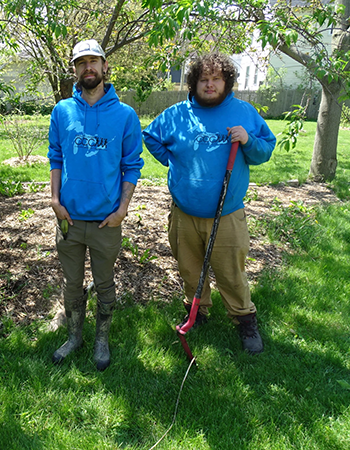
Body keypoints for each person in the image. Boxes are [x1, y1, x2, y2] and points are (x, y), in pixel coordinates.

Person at [142, 52, 276, 354]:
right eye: (204, 79)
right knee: (190, 269)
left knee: (231, 272)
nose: (210, 84)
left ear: (227, 81)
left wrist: (248, 141)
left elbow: (265, 150)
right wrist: (173, 159)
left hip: (227, 214)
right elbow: (150, 136)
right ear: (194, 82)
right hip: (184, 213)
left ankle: (244, 319)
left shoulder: (243, 113)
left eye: (217, 79)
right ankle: (196, 311)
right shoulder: (177, 114)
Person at [47, 39, 144, 371]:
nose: (88, 67)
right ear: (74, 70)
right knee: (71, 283)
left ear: (105, 67)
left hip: (106, 221)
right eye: (81, 62)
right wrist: (55, 200)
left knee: (104, 283)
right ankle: (75, 336)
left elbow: (132, 165)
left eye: (94, 61)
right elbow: (55, 157)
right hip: (69, 219)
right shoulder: (62, 111)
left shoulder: (125, 116)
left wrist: (122, 210)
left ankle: (101, 338)